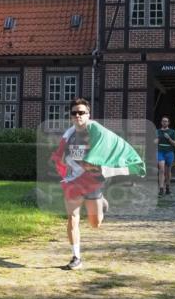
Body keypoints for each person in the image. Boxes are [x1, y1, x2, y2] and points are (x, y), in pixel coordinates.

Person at [50, 98, 145, 270]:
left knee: (95, 223)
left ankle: (101, 201)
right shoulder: (69, 135)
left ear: (88, 114)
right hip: (73, 181)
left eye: (81, 112)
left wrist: (88, 163)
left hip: (93, 182)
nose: (78, 115)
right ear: (71, 116)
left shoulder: (96, 132)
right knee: (72, 217)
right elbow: (62, 157)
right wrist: (67, 162)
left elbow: (101, 156)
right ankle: (76, 257)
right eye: (74, 113)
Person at [156, 116, 175, 195]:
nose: (164, 122)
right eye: (163, 121)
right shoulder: (157, 131)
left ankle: (168, 187)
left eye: (166, 121)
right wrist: (155, 140)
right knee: (161, 169)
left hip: (169, 152)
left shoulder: (172, 132)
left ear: (168, 123)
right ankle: (161, 188)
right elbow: (153, 142)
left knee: (168, 171)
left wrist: (169, 138)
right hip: (160, 152)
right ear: (161, 122)